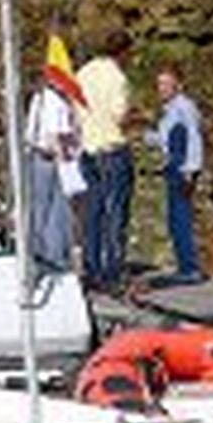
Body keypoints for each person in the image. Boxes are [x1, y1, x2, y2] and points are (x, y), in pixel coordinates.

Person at [76, 29, 135, 292]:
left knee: (92, 213)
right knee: (116, 213)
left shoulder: (83, 73)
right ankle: (112, 274)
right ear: (123, 52)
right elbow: (118, 115)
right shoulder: (118, 78)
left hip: (86, 149)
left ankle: (91, 269)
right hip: (111, 148)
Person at [25, 35, 86, 274]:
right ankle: (44, 258)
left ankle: (50, 256)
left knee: (51, 211)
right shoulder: (52, 101)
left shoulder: (47, 98)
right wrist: (66, 164)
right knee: (47, 211)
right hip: (47, 160)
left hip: (45, 157)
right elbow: (53, 137)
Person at [146, 65, 205, 285]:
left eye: (165, 84)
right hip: (172, 167)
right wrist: (145, 135)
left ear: (178, 85)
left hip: (182, 168)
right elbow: (164, 140)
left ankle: (190, 268)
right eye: (159, 84)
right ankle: (185, 266)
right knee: (174, 219)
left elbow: (194, 138)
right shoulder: (170, 109)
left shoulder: (184, 107)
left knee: (181, 218)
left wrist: (190, 169)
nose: (161, 88)